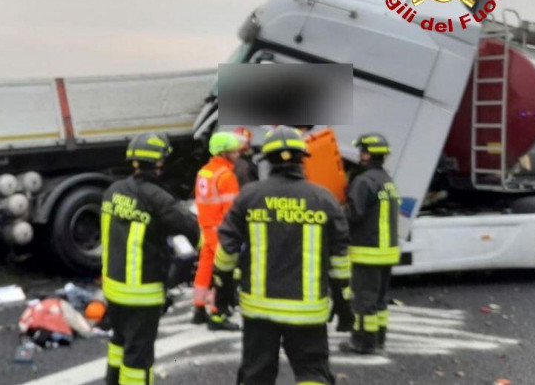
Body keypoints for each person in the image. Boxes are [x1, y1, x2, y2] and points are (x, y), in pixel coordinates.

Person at [213, 126, 351, 385]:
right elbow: (339, 260)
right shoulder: (324, 199)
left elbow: (226, 253)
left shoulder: (249, 196)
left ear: (267, 160)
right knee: (312, 372)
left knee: (256, 375)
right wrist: (344, 307)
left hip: (258, 311)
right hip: (308, 311)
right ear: (302, 158)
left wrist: (222, 297)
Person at [102, 132, 201, 385]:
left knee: (119, 343)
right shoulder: (157, 198)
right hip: (141, 293)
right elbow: (192, 228)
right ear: (159, 162)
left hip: (113, 287)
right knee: (139, 358)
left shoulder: (113, 190)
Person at [339, 133, 400, 355]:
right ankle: (378, 338)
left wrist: (336, 212)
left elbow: (353, 214)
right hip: (387, 252)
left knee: (363, 300)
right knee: (379, 300)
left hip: (367, 251)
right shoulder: (386, 180)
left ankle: (362, 342)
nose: (359, 155)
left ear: (367, 154)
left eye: (362, 151)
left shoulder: (364, 181)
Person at [191, 132, 242, 331]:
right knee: (223, 273)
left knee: (204, 268)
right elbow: (233, 211)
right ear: (224, 152)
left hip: (206, 229)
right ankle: (218, 312)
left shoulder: (204, 172)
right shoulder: (226, 176)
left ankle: (199, 308)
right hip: (222, 232)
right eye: (234, 150)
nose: (237, 153)